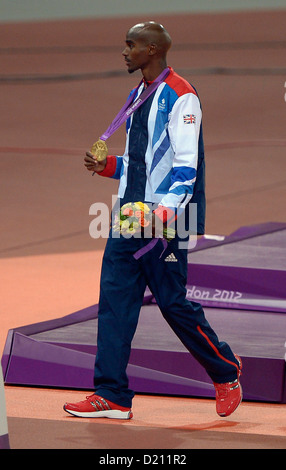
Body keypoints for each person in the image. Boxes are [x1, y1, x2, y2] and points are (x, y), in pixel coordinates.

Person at [64, 21, 242, 419]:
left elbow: (185, 168)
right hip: (128, 218)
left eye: (132, 45)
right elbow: (141, 163)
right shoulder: (137, 94)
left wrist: (160, 214)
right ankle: (110, 394)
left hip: (163, 225)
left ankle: (226, 371)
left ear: (154, 50)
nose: (125, 52)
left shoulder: (182, 96)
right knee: (114, 303)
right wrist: (108, 164)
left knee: (173, 305)